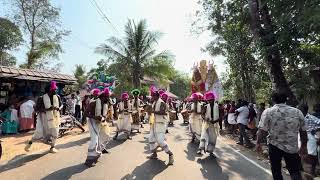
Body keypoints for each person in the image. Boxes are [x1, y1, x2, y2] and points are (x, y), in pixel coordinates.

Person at [256, 91, 307, 180]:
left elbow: (262, 131)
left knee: (276, 170)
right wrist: (304, 145)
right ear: (286, 99)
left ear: (273, 100)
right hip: (292, 147)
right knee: (295, 171)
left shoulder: (268, 111)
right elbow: (303, 131)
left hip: (274, 146)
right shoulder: (297, 112)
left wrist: (258, 143)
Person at [25, 81, 61, 153]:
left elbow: (61, 105)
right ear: (50, 90)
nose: (56, 90)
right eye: (55, 89)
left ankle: (52, 147)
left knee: (55, 133)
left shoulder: (57, 97)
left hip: (54, 118)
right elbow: (37, 109)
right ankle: (29, 144)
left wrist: (58, 108)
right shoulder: (41, 98)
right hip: (44, 118)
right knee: (39, 133)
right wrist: (48, 109)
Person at [148, 89, 174, 165]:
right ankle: (154, 154)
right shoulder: (154, 102)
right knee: (151, 139)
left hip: (160, 124)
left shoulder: (162, 103)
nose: (152, 97)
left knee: (160, 141)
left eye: (153, 96)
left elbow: (164, 113)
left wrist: (153, 112)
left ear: (156, 96)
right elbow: (153, 113)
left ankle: (170, 154)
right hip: (154, 124)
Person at [83, 88, 104, 167]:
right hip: (92, 121)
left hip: (97, 122)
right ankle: (89, 160)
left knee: (98, 139)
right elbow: (85, 113)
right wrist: (95, 117)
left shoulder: (101, 103)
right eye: (106, 97)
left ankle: (95, 156)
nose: (108, 99)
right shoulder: (93, 102)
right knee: (94, 139)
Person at [298, 104, 320, 177]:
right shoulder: (297, 117)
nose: (299, 111)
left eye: (300, 110)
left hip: (309, 135)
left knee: (311, 154)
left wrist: (316, 131)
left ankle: (312, 171)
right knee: (299, 152)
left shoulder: (311, 117)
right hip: (300, 135)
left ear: (305, 110)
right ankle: (300, 167)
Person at [198, 91, 220, 157]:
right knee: (204, 136)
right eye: (208, 100)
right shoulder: (205, 106)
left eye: (211, 100)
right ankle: (200, 149)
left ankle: (210, 151)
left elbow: (222, 116)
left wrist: (215, 121)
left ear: (214, 99)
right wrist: (205, 118)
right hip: (207, 124)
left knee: (213, 138)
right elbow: (202, 114)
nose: (210, 101)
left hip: (214, 124)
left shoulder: (218, 106)